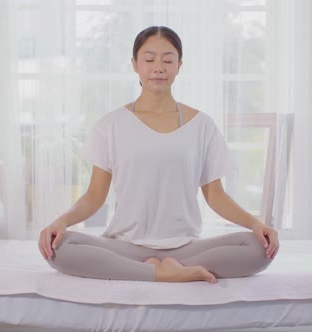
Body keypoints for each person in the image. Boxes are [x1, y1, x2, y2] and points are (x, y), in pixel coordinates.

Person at [38, 26, 279, 283]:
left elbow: (216, 196)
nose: (158, 67)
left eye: (168, 59)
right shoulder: (111, 125)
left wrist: (257, 225)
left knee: (257, 248)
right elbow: (95, 196)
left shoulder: (201, 125)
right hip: (126, 246)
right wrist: (60, 222)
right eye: (149, 59)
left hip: (185, 247)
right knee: (61, 247)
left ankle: (158, 268)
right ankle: (163, 273)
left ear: (179, 65)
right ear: (135, 64)